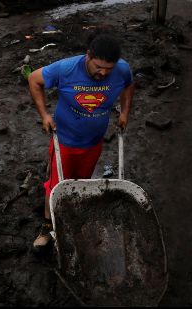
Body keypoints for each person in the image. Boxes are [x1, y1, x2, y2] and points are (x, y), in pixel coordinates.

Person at [27, 29, 135, 251]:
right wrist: (45, 115)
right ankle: (47, 226)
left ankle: (73, 216)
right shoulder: (66, 69)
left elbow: (128, 84)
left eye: (108, 69)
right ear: (88, 55)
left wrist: (125, 112)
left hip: (94, 142)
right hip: (65, 141)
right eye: (98, 67)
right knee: (56, 184)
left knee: (81, 181)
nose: (103, 73)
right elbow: (33, 79)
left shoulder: (122, 69)